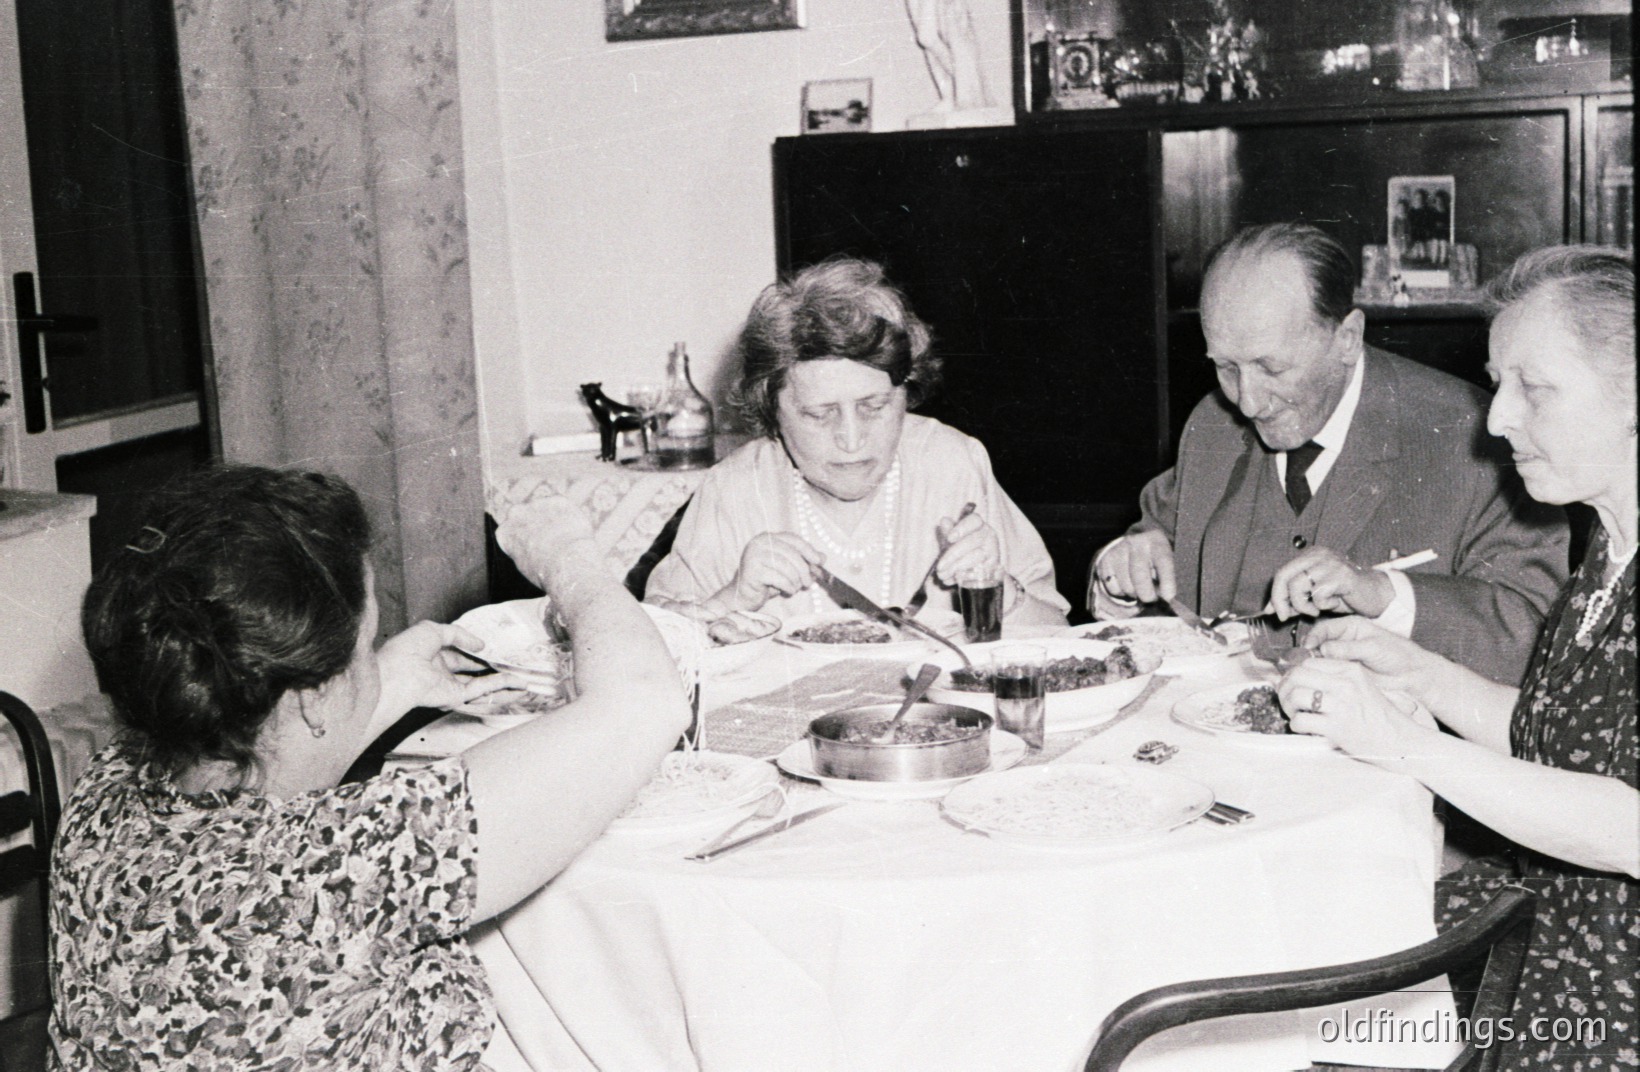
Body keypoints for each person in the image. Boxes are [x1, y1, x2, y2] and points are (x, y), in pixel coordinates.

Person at [49, 466, 691, 1070]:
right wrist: (570, 558)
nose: (371, 658)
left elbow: (275, 749)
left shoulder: (102, 792)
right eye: (364, 647)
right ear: (308, 697)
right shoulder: (348, 857)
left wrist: (386, 681)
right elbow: (644, 702)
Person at [1275, 246, 1637, 1066]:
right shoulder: (1608, 552)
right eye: (1498, 383)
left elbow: (1632, 825)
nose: (1497, 418)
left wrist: (1406, 742)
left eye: (1532, 388)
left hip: (1611, 984)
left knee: (1315, 1028)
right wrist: (1415, 669)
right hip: (1553, 914)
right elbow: (1557, 738)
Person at [1086, 222, 1568, 684]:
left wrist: (1386, 594)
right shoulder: (1213, 425)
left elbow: (1535, 634)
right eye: (1226, 367)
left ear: (1347, 338)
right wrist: (1119, 575)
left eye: (1271, 368)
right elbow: (1150, 543)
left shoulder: (1478, 438)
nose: (1248, 401)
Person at [642, 257, 1070, 627]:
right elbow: (651, 662)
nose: (851, 440)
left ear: (906, 392)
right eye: (819, 413)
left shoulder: (954, 463)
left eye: (874, 406)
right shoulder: (733, 490)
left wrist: (1001, 590)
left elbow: (1059, 632)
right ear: (772, 412)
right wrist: (733, 598)